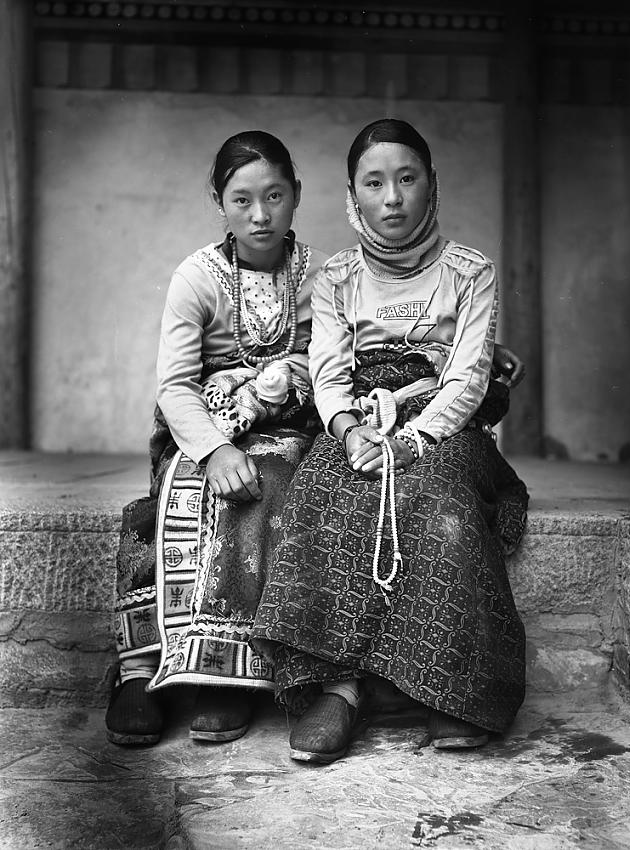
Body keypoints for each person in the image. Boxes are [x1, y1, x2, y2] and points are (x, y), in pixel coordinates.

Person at [251, 118, 529, 764]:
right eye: (373, 183)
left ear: (432, 186)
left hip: (443, 423)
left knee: (443, 507)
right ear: (352, 197)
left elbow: (466, 379)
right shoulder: (337, 276)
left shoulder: (468, 271)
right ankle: (340, 689)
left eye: (406, 179)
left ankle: (449, 689)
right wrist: (347, 432)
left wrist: (411, 442)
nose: (392, 198)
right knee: (318, 495)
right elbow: (325, 369)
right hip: (358, 419)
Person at [105, 130, 330, 745]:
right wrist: (216, 448)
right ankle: (139, 668)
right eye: (242, 200)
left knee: (267, 489)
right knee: (178, 493)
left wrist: (290, 378)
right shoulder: (197, 278)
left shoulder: (322, 277)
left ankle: (227, 677)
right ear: (220, 202)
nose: (261, 215)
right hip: (206, 423)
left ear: (297, 195)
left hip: (288, 424)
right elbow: (174, 387)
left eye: (275, 195)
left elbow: (339, 360)